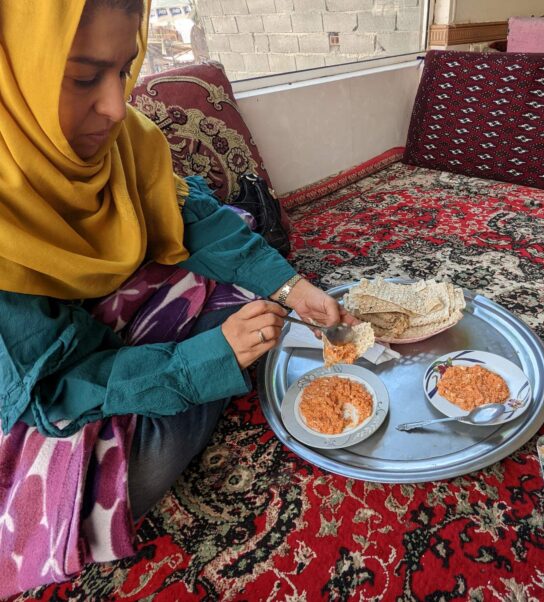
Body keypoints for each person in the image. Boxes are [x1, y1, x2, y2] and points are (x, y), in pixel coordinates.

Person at [0, 0, 346, 595]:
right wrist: (197, 365)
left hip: (106, 313)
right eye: (83, 77)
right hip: (35, 375)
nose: (115, 107)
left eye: (123, 71)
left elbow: (196, 220)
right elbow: (51, 388)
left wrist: (292, 287)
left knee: (252, 288)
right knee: (138, 464)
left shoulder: (130, 140)